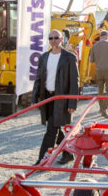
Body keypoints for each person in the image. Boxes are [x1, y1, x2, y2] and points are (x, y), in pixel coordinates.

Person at [32, 29, 79, 165]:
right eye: (50, 38)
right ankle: (68, 153)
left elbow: (74, 81)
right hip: (47, 97)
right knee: (55, 126)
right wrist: (35, 98)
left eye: (56, 37)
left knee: (51, 130)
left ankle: (42, 159)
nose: (53, 40)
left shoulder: (69, 57)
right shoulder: (44, 57)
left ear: (61, 39)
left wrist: (72, 103)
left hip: (61, 99)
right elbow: (39, 78)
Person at [89, 30, 108, 118]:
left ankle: (101, 108)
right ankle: (104, 109)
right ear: (107, 36)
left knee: (100, 91)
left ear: (100, 36)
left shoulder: (94, 46)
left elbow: (91, 60)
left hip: (98, 70)